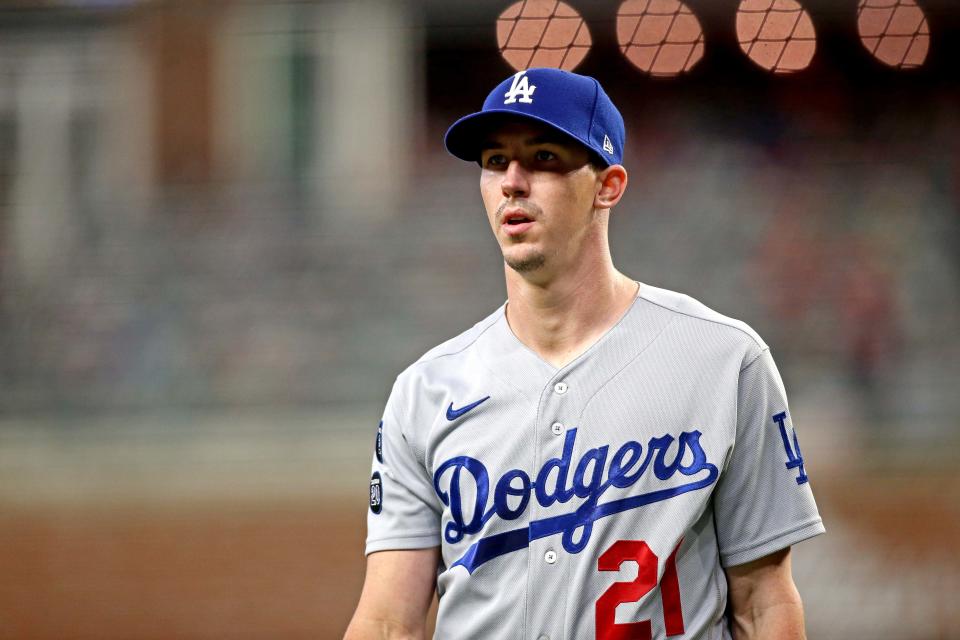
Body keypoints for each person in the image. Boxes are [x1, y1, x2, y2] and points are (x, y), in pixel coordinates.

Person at [345, 67, 824, 640]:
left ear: (608, 185)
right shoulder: (423, 392)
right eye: (495, 161)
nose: (512, 182)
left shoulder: (724, 361)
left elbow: (762, 604)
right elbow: (387, 622)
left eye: (543, 157)